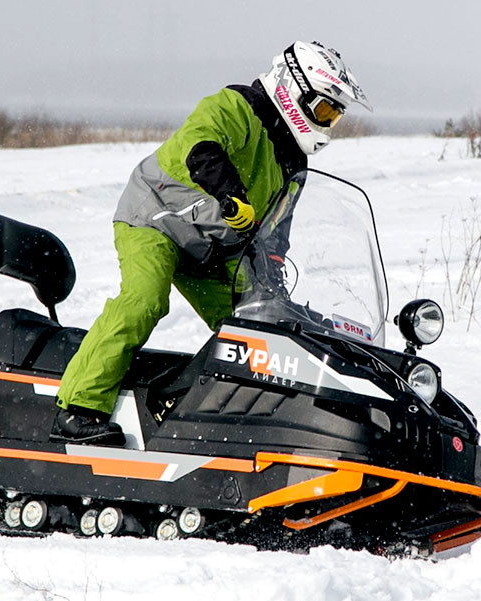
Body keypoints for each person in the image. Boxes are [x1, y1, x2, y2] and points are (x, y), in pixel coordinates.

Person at [53, 41, 370, 443]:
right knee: (144, 300)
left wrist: (271, 280)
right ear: (295, 92)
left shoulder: (293, 161)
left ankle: (216, 419)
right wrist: (231, 195)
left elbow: (277, 232)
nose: (328, 123)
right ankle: (77, 407)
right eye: (324, 110)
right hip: (156, 217)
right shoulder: (237, 106)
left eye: (334, 116)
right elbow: (200, 149)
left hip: (212, 247)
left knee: (259, 328)